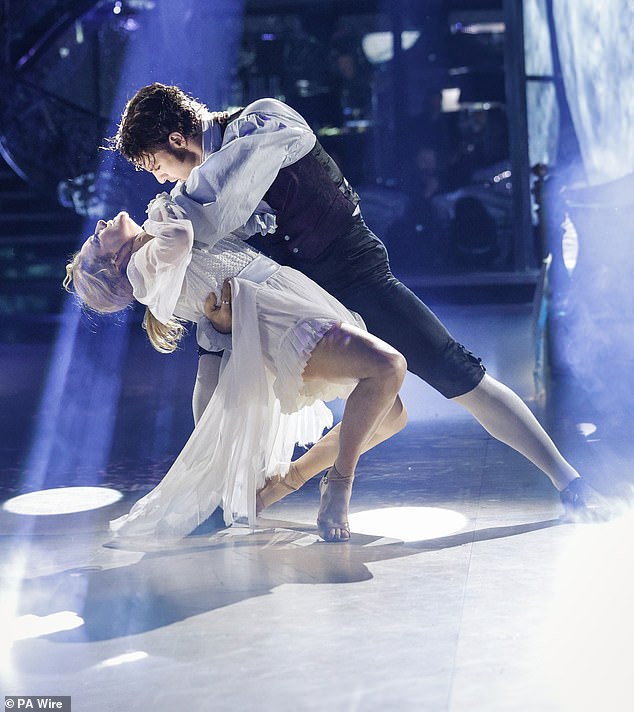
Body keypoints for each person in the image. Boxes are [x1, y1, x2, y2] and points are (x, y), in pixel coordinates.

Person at [111, 83, 605, 521]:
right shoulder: (198, 194)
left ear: (177, 140)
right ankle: (265, 488)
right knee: (375, 408)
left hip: (357, 275)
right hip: (302, 299)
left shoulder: (261, 123)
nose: (160, 179)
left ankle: (570, 481)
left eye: (156, 165)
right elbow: (207, 236)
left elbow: (214, 198)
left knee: (455, 372)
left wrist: (165, 224)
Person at [63, 195, 407, 543]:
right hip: (276, 317)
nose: (99, 225)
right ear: (112, 261)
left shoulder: (151, 247)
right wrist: (170, 206)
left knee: (392, 416)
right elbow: (180, 238)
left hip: (287, 293)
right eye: (96, 240)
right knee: (388, 367)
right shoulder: (141, 267)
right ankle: (339, 484)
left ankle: (282, 484)